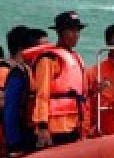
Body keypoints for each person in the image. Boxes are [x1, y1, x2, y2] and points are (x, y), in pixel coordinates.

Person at [26, 10, 88, 149]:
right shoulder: (48, 59)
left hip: (74, 124)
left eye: (78, 31)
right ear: (60, 32)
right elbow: (42, 95)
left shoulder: (76, 57)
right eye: (71, 30)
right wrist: (42, 127)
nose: (76, 35)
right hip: (56, 127)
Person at [2, 26, 47, 154]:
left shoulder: (42, 72)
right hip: (25, 137)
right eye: (43, 48)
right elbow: (10, 111)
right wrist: (15, 144)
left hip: (39, 135)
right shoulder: (19, 74)